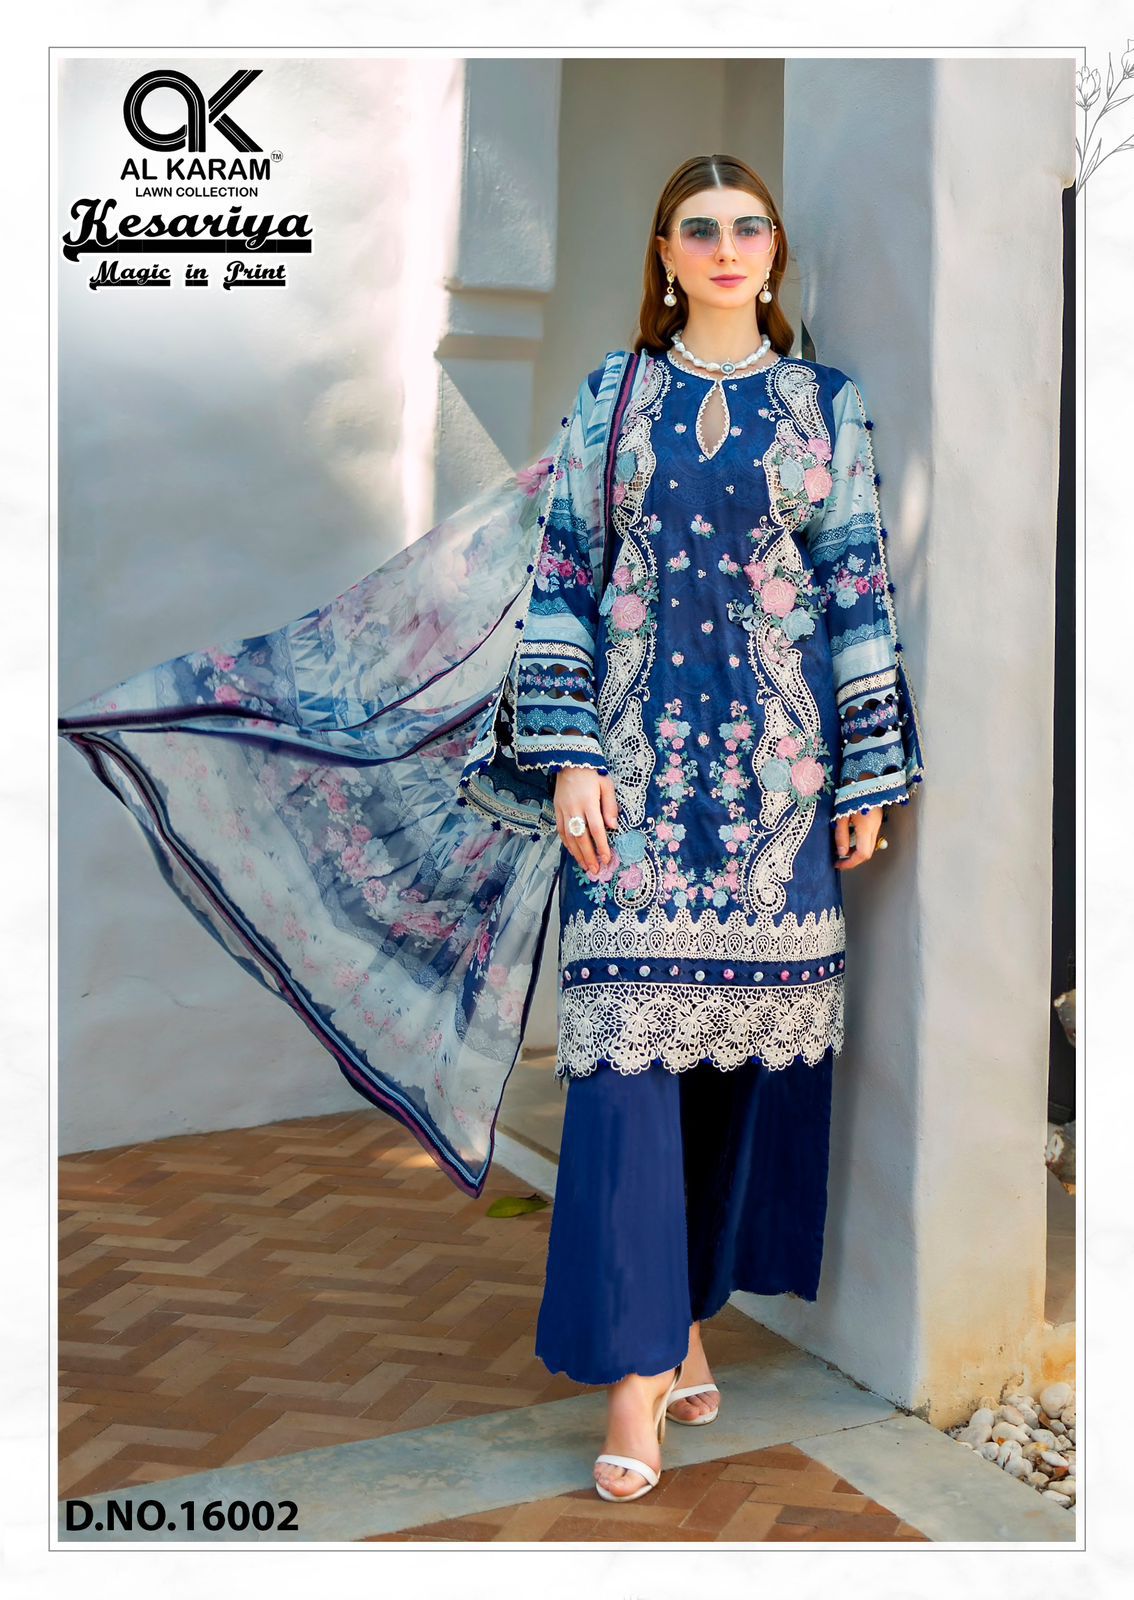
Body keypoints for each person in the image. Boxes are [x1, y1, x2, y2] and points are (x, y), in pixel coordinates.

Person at [58, 152, 925, 1507]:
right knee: (624, 1078)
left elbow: (856, 582)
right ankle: (636, 1375)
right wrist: (569, 755)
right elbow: (563, 582)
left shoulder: (827, 409)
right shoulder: (613, 397)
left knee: (735, 1081)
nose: (724, 246)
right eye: (697, 227)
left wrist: (866, 774)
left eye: (747, 226)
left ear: (773, 252)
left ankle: (681, 1316)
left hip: (777, 789)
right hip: (629, 790)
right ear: (664, 254)